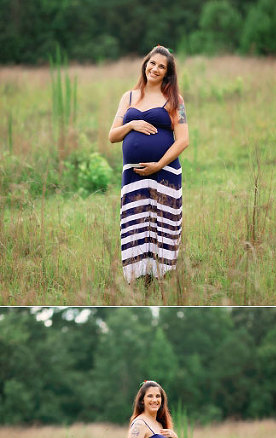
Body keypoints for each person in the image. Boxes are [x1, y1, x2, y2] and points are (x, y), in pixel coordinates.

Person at [108, 45, 189, 284]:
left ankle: (163, 277)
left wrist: (158, 164)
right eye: (152, 63)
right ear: (145, 64)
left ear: (167, 73)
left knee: (163, 223)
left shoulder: (175, 100)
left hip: (164, 173)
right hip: (133, 176)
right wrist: (131, 125)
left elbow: (183, 140)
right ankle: (138, 278)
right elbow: (112, 135)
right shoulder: (129, 97)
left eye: (161, 66)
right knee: (135, 222)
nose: (155, 69)